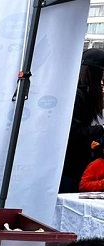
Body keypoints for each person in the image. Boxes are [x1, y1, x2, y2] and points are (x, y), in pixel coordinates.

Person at [60, 48, 104, 194]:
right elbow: (73, 132)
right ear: (94, 73)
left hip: (76, 163)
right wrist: (100, 128)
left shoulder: (84, 93)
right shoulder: (78, 95)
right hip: (69, 166)